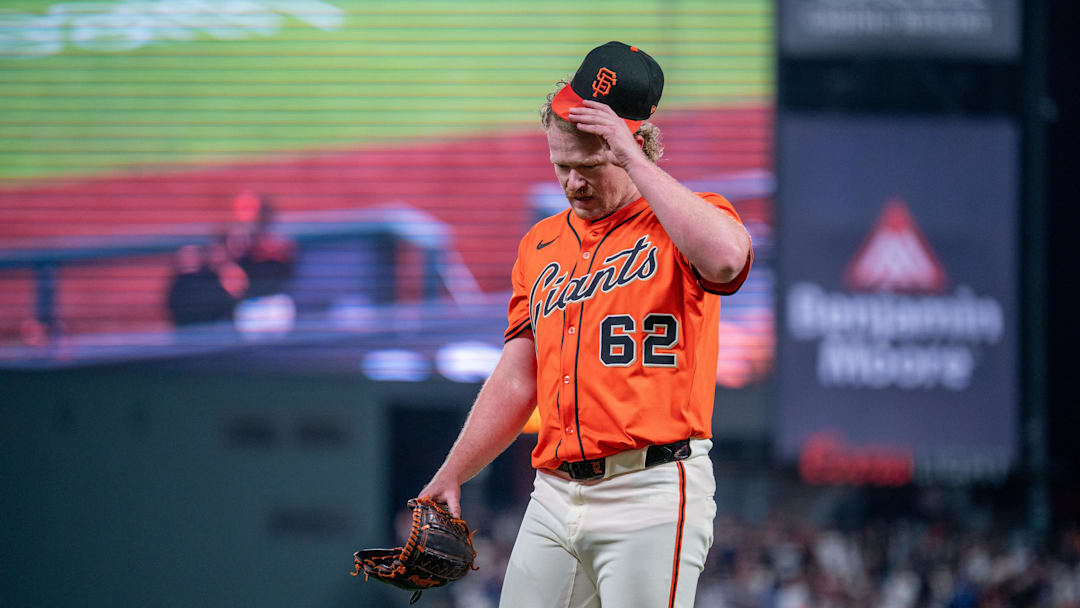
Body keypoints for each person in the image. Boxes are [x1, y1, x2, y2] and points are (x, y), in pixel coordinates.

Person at [419, 41, 753, 608]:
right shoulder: (540, 244)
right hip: (553, 493)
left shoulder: (690, 218)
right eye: (561, 164)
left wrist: (633, 162)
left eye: (590, 165)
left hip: (651, 488)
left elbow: (726, 259)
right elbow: (517, 378)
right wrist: (454, 471)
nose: (572, 182)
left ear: (635, 144)